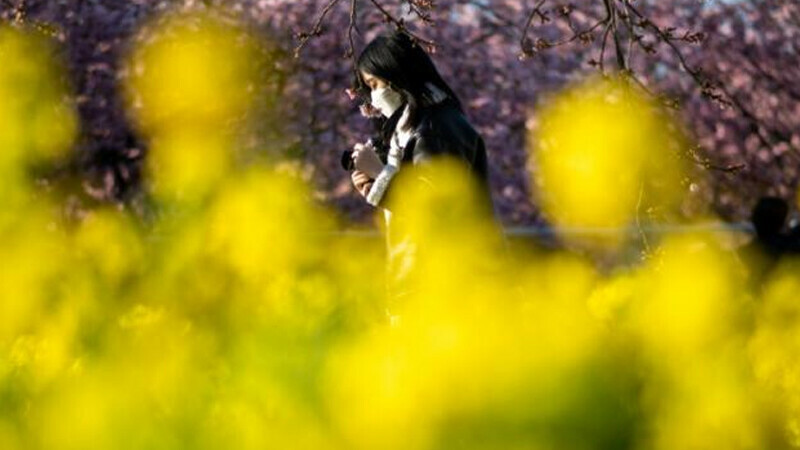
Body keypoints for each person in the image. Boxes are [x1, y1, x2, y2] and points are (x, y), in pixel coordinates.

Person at [347, 30, 496, 311]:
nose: (374, 95)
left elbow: (436, 208)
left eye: (375, 83)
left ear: (397, 76)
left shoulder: (436, 128)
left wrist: (380, 174)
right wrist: (376, 183)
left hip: (448, 290)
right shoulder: (416, 127)